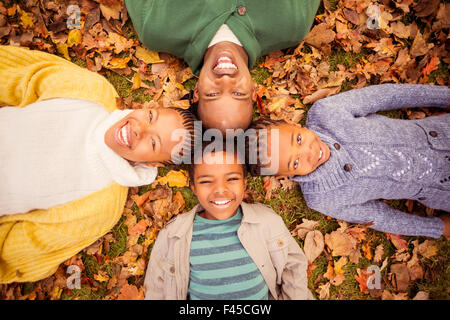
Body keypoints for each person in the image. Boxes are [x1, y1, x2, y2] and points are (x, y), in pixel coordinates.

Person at [0, 45, 197, 283]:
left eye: (153, 143)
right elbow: (19, 76)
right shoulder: (93, 92)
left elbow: (22, 246)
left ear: (154, 163)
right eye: (151, 117)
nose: (138, 129)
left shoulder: (102, 207)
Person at [247, 84, 450, 239]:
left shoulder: (326, 113)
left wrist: (443, 96)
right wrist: (435, 227)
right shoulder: (322, 198)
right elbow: (379, 217)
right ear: (285, 176)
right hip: (442, 190)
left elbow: (384, 96)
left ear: (291, 123)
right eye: (295, 163)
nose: (309, 152)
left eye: (299, 139)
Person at [143, 141, 313, 299]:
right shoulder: (173, 234)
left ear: (244, 183)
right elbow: (156, 289)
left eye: (231, 179)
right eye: (206, 181)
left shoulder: (267, 221)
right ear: (193, 187)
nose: (220, 190)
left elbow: (294, 265)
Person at [125, 0, 321, 132]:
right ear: (253, 90)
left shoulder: (156, 27)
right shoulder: (292, 24)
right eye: (238, 94)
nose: (226, 81)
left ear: (196, 92)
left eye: (212, 94)